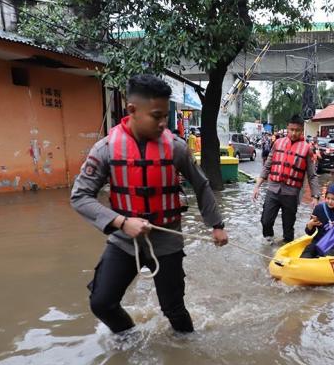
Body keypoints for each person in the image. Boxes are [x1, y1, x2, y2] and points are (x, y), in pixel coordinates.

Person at [71, 74, 228, 337]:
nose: (163, 122)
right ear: (132, 110)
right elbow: (80, 197)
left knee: (174, 308)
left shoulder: (176, 148)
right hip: (124, 239)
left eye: (165, 115)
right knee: (102, 303)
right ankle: (130, 337)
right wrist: (122, 222)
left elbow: (201, 185)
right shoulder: (106, 149)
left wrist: (217, 225)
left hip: (166, 239)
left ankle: (188, 351)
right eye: (157, 116)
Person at [252, 115, 320, 244]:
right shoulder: (277, 143)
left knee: (288, 226)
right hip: (273, 189)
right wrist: (257, 186)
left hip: (291, 193)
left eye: (297, 130)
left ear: (302, 131)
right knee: (265, 220)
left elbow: (312, 175)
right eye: (291, 129)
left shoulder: (307, 149)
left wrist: (315, 196)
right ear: (287, 128)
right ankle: (269, 242)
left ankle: (286, 250)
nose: (294, 133)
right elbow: (268, 166)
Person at [301, 183, 334, 258]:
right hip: (319, 241)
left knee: (327, 255)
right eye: (328, 198)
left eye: (333, 199)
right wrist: (310, 225)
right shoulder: (318, 209)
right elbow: (309, 233)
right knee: (308, 250)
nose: (330, 202)